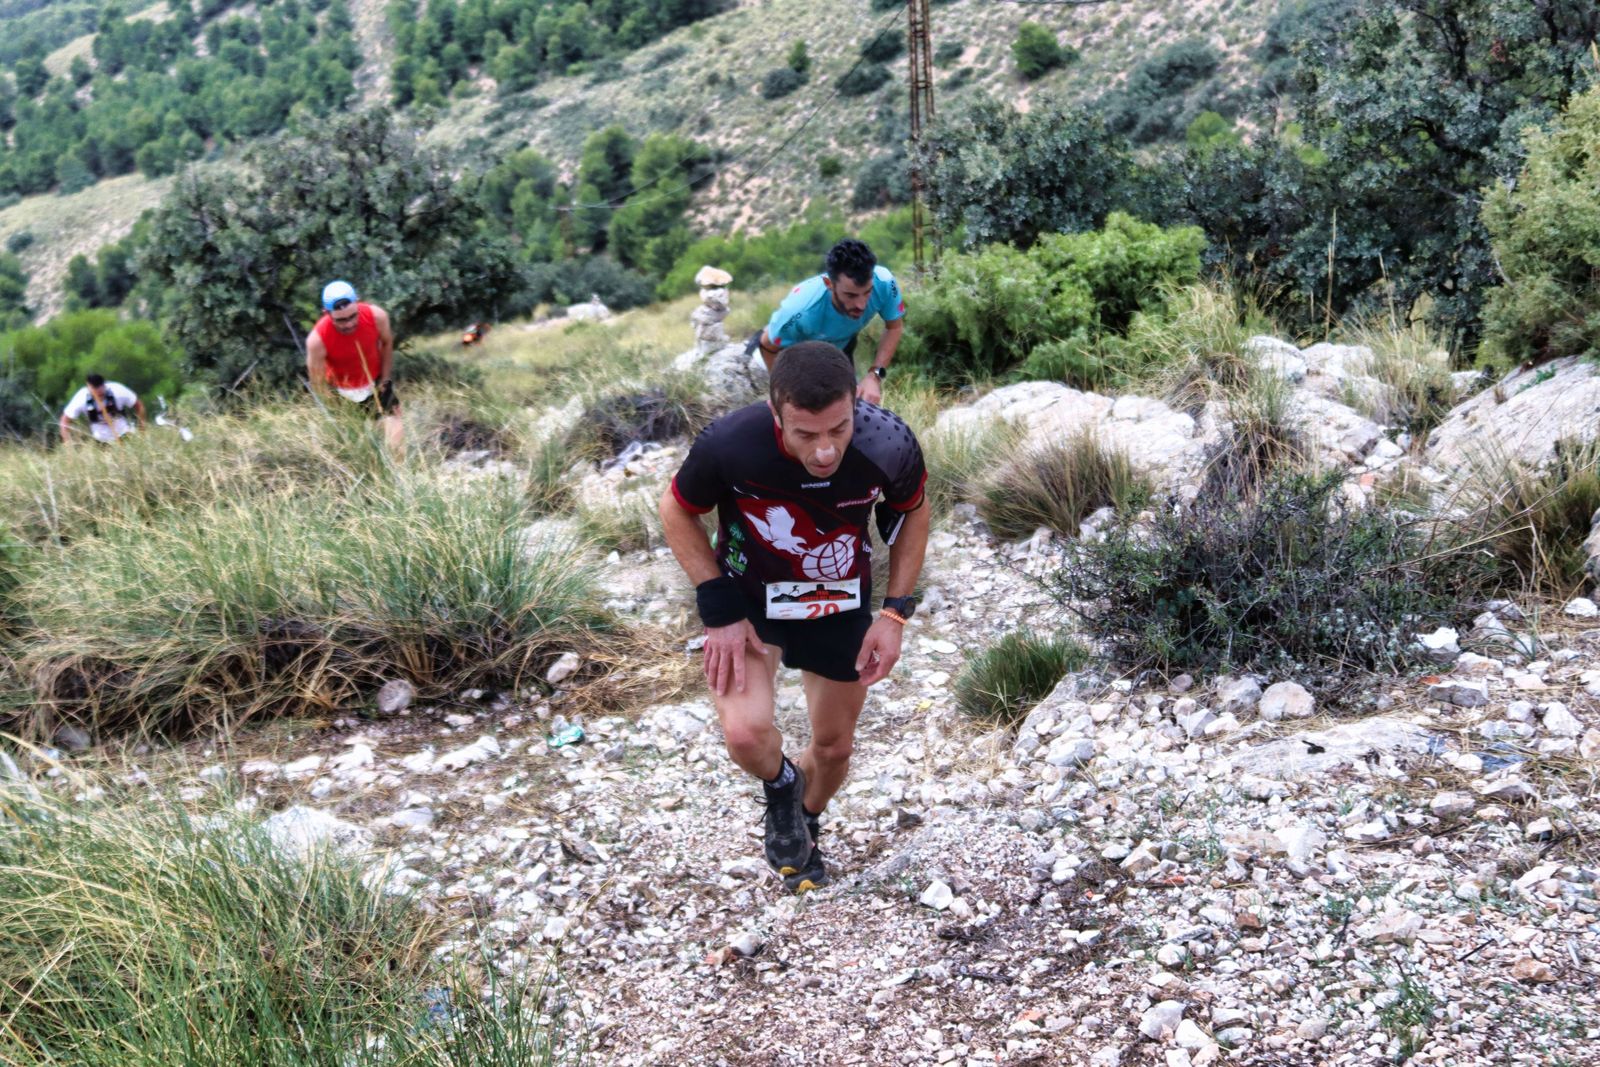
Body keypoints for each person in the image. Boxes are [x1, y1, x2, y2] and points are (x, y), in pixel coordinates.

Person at [659, 341, 929, 893]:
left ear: (855, 402)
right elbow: (676, 508)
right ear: (776, 411)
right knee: (744, 736)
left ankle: (802, 819)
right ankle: (781, 786)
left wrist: (895, 614)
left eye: (838, 428)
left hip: (837, 603)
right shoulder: (731, 445)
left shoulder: (888, 444)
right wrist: (718, 607)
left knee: (834, 749)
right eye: (806, 434)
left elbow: (912, 514)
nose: (826, 450)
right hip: (748, 602)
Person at [747, 239, 906, 406]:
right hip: (796, 351)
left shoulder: (886, 283)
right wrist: (783, 392)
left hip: (841, 343)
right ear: (829, 284)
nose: (861, 305)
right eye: (850, 295)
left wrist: (875, 376)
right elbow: (767, 344)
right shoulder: (800, 310)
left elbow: (894, 328)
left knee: (850, 405)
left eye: (867, 292)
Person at [305, 280, 403, 452]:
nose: (349, 324)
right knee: (360, 447)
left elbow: (387, 344)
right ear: (326, 313)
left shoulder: (377, 316)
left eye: (352, 316)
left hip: (375, 382)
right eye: (341, 320)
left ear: (358, 303)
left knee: (395, 437)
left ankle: (401, 474)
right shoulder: (316, 340)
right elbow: (318, 383)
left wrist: (385, 379)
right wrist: (337, 408)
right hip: (341, 392)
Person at [59, 373, 144, 444]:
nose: (99, 396)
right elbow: (64, 421)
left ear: (104, 385)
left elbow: (139, 406)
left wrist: (142, 429)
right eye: (95, 393)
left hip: (124, 433)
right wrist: (68, 444)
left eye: (101, 394)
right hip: (100, 440)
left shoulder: (118, 390)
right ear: (88, 387)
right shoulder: (81, 398)